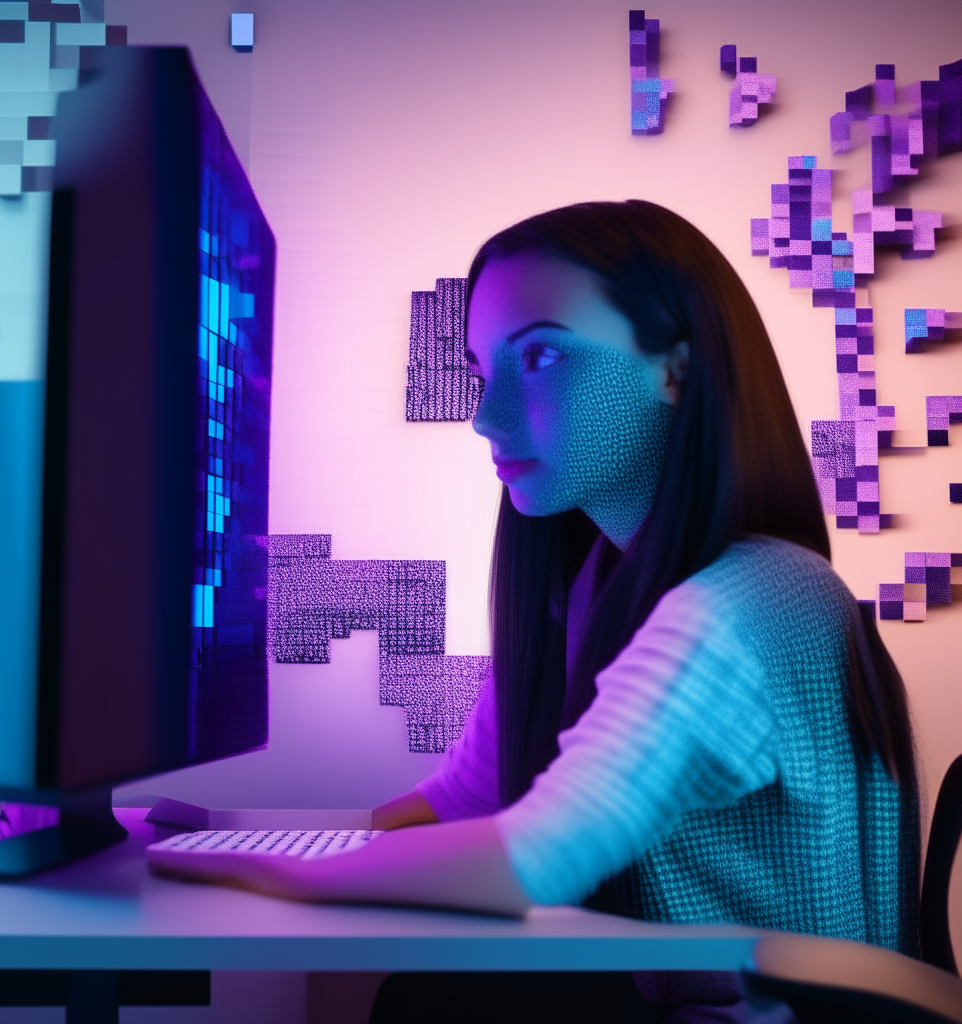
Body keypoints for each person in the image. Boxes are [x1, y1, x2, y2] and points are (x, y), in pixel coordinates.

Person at [221, 202, 921, 1022]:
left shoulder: (755, 601)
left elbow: (532, 859)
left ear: (677, 369)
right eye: (486, 372)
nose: (486, 416)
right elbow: (467, 800)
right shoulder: (590, 583)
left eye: (543, 355)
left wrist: (261, 873)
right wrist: (237, 828)